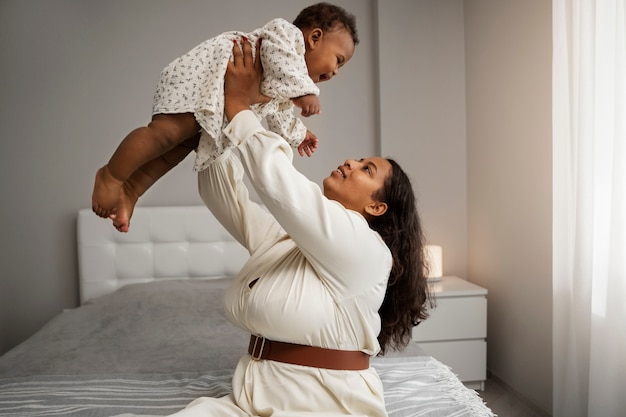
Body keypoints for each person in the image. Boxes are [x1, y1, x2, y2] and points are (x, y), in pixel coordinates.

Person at [114, 37, 432, 417]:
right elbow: (224, 196)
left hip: (324, 404)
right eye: (360, 158)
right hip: (250, 398)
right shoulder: (287, 242)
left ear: (377, 206)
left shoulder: (366, 250)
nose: (350, 161)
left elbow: (279, 183)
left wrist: (239, 106)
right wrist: (214, 119)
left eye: (367, 169)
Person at [92, 2, 359, 230]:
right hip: (198, 84)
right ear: (314, 38)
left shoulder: (285, 87)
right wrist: (305, 92)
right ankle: (111, 176)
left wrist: (299, 134)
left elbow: (280, 114)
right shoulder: (285, 36)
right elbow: (278, 60)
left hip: (210, 107)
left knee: (175, 150)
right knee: (165, 134)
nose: (336, 72)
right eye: (338, 60)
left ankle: (131, 190)